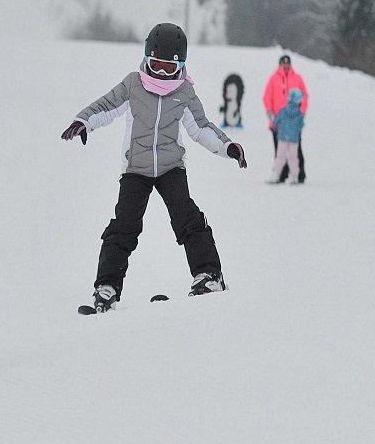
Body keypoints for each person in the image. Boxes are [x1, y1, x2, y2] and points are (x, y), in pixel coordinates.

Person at [61, 23, 248, 313]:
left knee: (187, 216)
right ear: (147, 58)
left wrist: (227, 147)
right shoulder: (133, 84)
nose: (161, 74)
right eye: (156, 65)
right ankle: (107, 287)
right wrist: (84, 121)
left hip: (171, 167)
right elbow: (107, 105)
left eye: (168, 68)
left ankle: (210, 276)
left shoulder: (184, 93)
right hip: (135, 168)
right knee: (124, 225)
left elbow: (201, 128)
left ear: (181, 66)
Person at [262, 54, 308, 183]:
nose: (286, 66)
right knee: (279, 150)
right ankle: (281, 174)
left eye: (288, 63)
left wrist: (302, 112)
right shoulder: (274, 79)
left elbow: (305, 96)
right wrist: (270, 112)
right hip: (279, 120)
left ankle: (298, 174)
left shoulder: (297, 78)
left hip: (294, 121)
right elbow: (267, 96)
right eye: (284, 63)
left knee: (296, 150)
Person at [268, 88, 305, 184]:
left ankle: (275, 175)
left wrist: (275, 128)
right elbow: (301, 125)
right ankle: (294, 176)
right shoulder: (299, 114)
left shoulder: (283, 111)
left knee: (280, 156)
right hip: (294, 139)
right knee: (293, 158)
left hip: (282, 137)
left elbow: (276, 121)